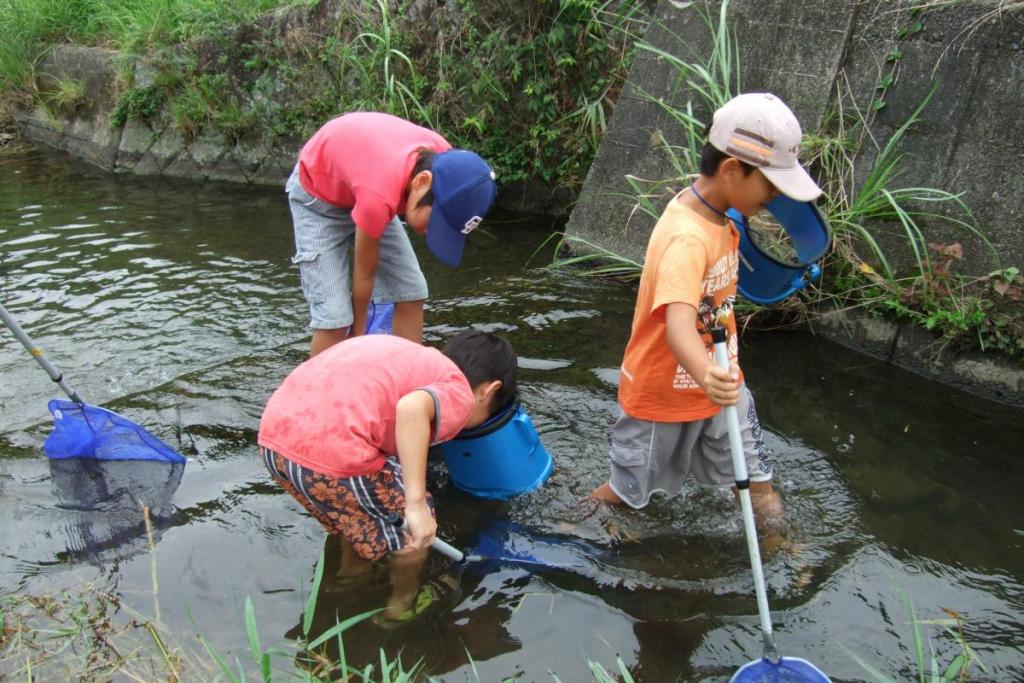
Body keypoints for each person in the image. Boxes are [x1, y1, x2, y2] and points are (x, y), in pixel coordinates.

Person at [590, 93, 822, 533]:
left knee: (758, 482)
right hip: (665, 393)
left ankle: (783, 558)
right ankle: (570, 525)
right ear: (733, 170)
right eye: (771, 185)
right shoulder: (686, 238)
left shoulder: (721, 213)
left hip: (723, 385)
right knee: (627, 493)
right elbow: (678, 325)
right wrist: (705, 375)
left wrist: (718, 379)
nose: (774, 197)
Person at [258, 330, 517, 623]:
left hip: (275, 441)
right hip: (330, 453)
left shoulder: (413, 357)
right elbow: (411, 408)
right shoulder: (458, 388)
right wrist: (416, 504)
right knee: (415, 530)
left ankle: (349, 581)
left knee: (359, 515)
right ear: (489, 390)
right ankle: (400, 605)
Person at [286, 112, 498, 356]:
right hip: (318, 197)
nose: (430, 232)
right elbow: (365, 273)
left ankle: (403, 376)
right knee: (336, 318)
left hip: (367, 185)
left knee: (412, 290)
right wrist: (357, 337)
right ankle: (319, 391)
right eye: (435, 223)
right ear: (421, 182)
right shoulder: (379, 193)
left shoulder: (450, 169)